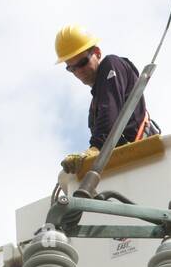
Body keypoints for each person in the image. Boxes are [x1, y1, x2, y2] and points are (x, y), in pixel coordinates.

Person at [55, 24, 160, 175]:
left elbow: (109, 109)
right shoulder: (95, 105)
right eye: (71, 68)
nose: (79, 71)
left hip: (141, 159)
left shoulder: (111, 64)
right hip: (122, 165)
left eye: (82, 63)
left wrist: (96, 147)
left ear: (97, 53)